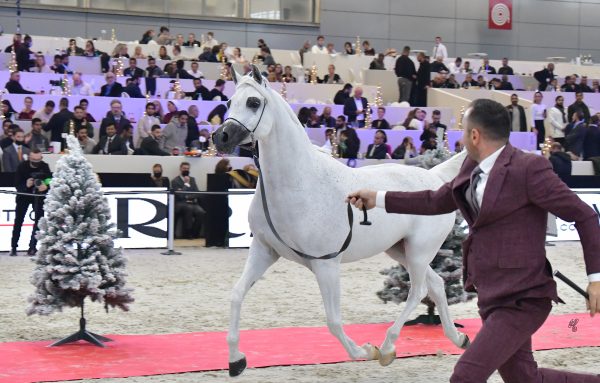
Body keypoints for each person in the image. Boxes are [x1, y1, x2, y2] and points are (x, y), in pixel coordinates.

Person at [346, 98, 600, 383]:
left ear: (475, 135)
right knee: (525, 379)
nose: (462, 136)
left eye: (463, 130)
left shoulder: (529, 168)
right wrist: (378, 199)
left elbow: (584, 216)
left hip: (523, 298)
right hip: (490, 293)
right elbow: (436, 200)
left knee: (466, 376)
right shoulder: (471, 165)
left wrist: (595, 279)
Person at [10, 149, 50, 256]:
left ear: (41, 158)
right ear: (29, 158)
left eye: (38, 160)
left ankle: (32, 247)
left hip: (38, 197)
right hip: (24, 196)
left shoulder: (45, 167)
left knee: (38, 222)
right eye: (33, 159)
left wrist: (45, 187)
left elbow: (49, 180)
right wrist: (26, 185)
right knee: (18, 221)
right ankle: (14, 247)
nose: (36, 162)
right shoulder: (22, 167)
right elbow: (17, 185)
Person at [171, 162, 206, 239]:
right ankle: (187, 233)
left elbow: (197, 192)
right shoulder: (175, 181)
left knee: (201, 212)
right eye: (184, 168)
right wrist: (186, 184)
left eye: (187, 168)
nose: (186, 170)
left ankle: (194, 233)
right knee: (188, 209)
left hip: (193, 203)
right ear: (180, 169)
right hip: (181, 204)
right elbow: (179, 196)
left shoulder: (192, 179)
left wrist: (188, 197)